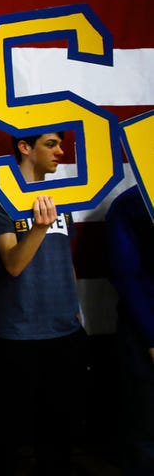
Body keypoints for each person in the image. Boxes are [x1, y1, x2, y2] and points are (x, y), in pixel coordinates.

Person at [0, 132, 87, 475]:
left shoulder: (62, 195)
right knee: (9, 437)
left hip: (66, 331)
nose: (60, 151)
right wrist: (39, 227)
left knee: (60, 435)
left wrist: (76, 309)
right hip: (19, 334)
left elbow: (63, 257)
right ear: (25, 148)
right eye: (51, 144)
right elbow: (12, 263)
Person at [104, 184, 154, 475]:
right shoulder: (132, 204)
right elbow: (125, 277)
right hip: (143, 331)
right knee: (145, 429)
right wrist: (150, 337)